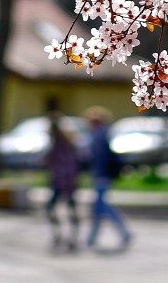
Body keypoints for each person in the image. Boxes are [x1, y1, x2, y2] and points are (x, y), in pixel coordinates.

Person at [83, 106, 131, 250]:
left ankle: (123, 232)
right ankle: (92, 238)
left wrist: (100, 175)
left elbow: (100, 159)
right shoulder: (103, 134)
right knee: (99, 208)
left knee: (102, 207)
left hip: (101, 176)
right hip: (101, 175)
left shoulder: (98, 136)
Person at [44, 115, 80, 250]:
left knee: (54, 209)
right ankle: (69, 237)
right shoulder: (65, 144)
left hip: (62, 182)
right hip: (67, 182)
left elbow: (64, 164)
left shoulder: (60, 145)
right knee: (70, 210)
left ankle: (63, 237)